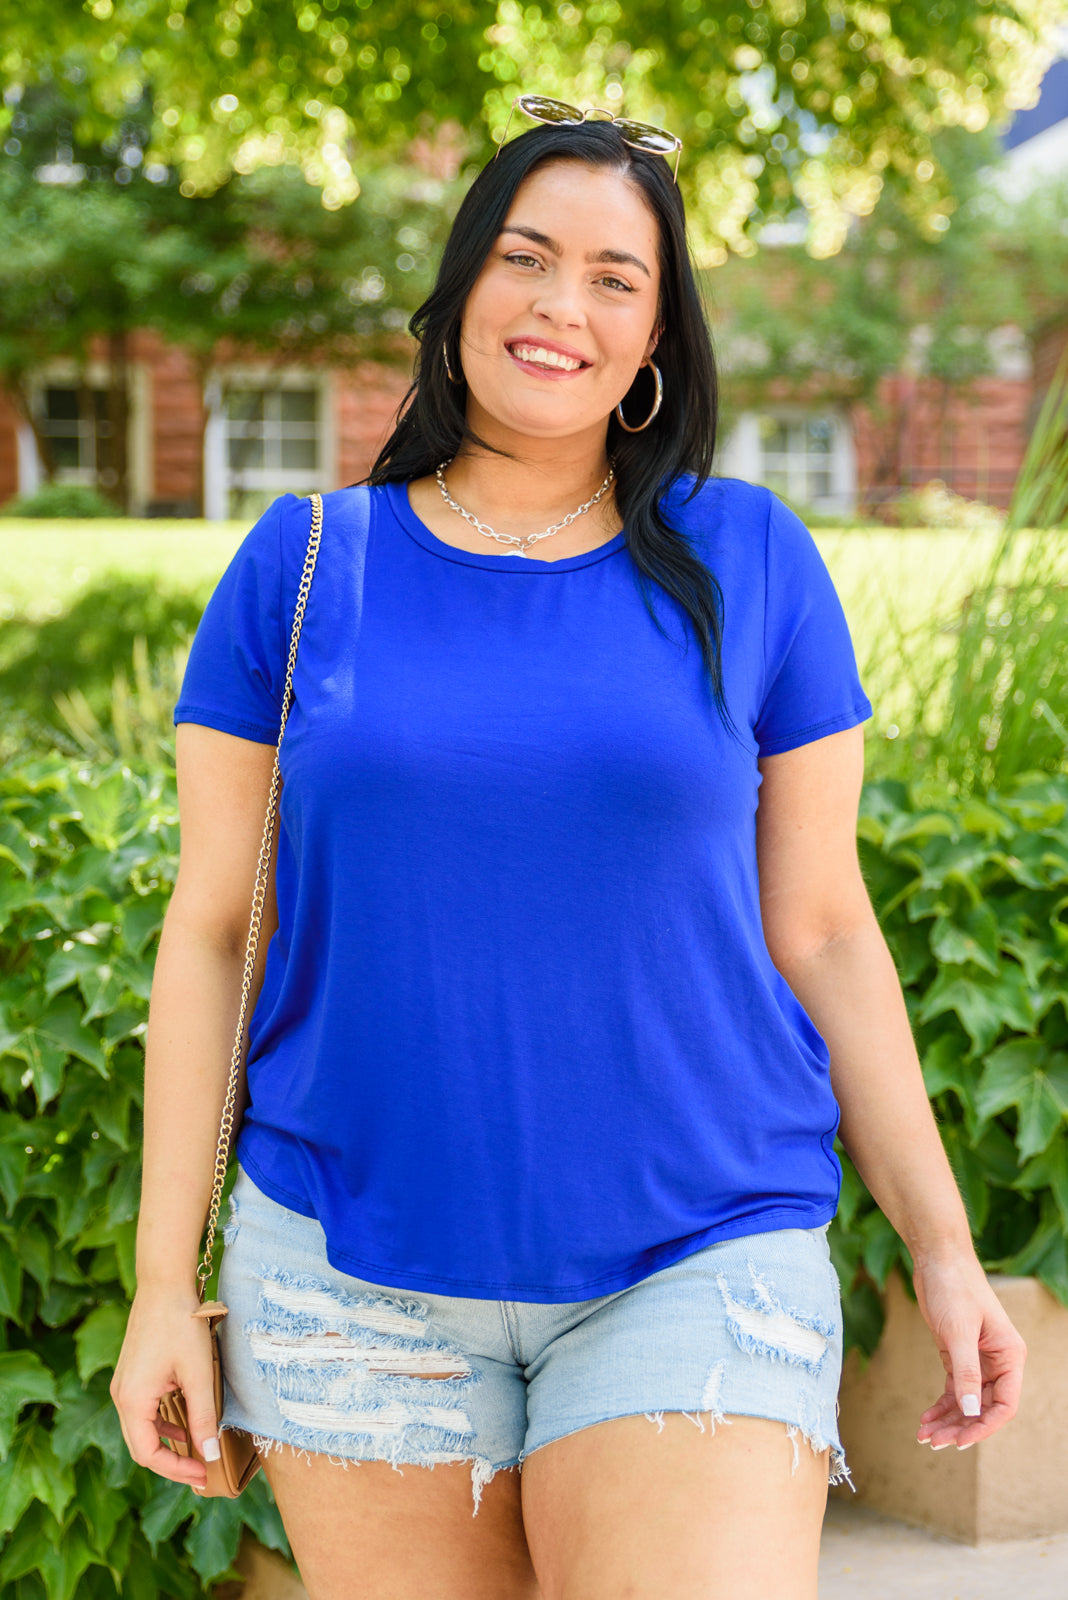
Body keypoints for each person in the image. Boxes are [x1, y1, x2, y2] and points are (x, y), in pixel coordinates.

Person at [111, 104, 1026, 1600]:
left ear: (657, 335)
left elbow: (823, 927)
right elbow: (217, 929)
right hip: (345, 1269)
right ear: (462, 285)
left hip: (703, 1246)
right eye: (526, 258)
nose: (561, 307)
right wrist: (163, 1286)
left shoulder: (754, 560)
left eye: (615, 278)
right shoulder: (305, 564)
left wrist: (943, 1246)